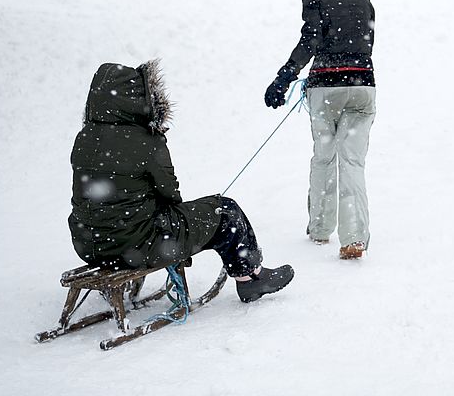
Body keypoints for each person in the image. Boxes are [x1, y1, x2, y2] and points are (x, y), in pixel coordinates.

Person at [69, 60, 294, 303]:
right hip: (136, 244)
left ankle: (248, 274)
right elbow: (170, 194)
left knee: (190, 216)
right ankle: (251, 278)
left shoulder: (85, 137)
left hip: (89, 243)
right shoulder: (145, 140)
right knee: (225, 210)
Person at [264, 0, 376, 260]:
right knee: (352, 162)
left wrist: (285, 76)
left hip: (326, 89)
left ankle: (320, 228)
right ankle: (353, 237)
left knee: (324, 157)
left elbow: (310, 39)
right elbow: (367, 43)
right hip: (363, 87)